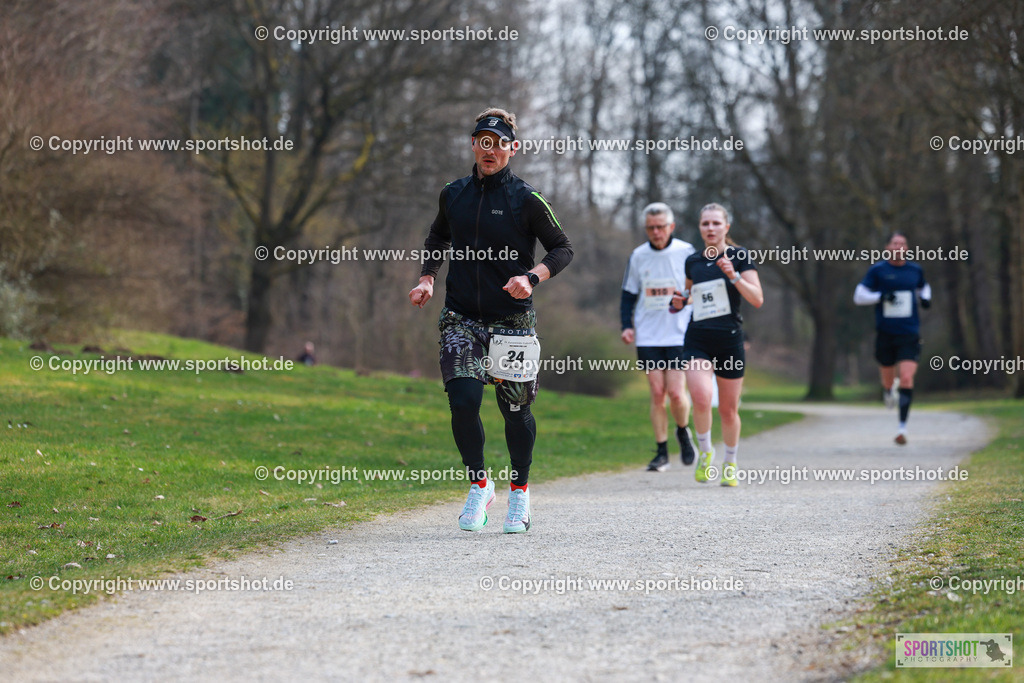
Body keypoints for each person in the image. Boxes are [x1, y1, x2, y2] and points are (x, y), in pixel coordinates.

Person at [408, 107, 573, 533]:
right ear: (473, 145)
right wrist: (427, 278)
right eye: (483, 141)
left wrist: (532, 277)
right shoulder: (454, 193)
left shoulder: (527, 199)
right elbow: (438, 235)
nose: (490, 150)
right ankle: (480, 484)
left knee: (515, 410)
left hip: (512, 323)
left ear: (512, 149)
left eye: (499, 143)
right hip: (461, 317)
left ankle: (519, 492)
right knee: (463, 401)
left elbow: (562, 247)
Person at [672, 203, 763, 487]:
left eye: (715, 223)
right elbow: (690, 295)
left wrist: (733, 276)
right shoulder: (693, 261)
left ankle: (731, 462)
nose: (710, 228)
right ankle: (706, 452)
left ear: (726, 227)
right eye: (705, 223)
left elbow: (757, 299)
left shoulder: (740, 256)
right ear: (700, 227)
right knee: (700, 398)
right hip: (698, 337)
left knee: (728, 409)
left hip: (730, 340)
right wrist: (678, 302)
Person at [620, 202, 698, 472]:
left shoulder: (687, 252)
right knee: (656, 393)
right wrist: (626, 325)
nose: (656, 232)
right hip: (649, 335)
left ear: (671, 227)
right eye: (651, 228)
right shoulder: (638, 256)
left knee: (676, 394)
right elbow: (629, 294)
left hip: (679, 334)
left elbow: (700, 289)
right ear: (646, 229)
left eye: (661, 227)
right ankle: (661, 451)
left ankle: (683, 432)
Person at [853, 232, 931, 445]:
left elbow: (924, 286)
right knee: (888, 377)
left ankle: (902, 427)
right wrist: (880, 296)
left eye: (903, 243)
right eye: (895, 243)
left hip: (909, 333)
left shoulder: (915, 270)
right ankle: (888, 390)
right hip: (885, 333)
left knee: (906, 378)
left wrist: (925, 298)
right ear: (887, 247)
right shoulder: (878, 270)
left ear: (907, 247)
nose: (899, 246)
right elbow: (858, 296)